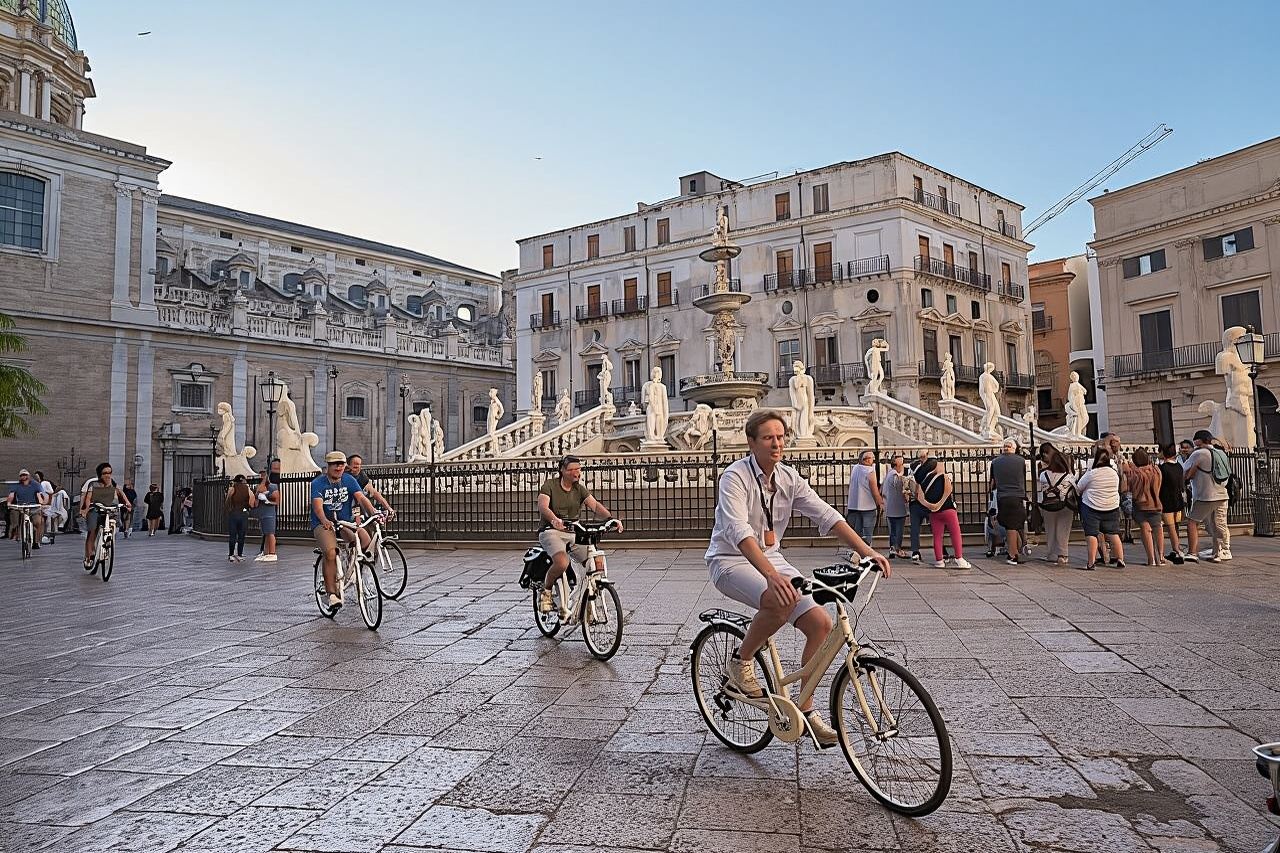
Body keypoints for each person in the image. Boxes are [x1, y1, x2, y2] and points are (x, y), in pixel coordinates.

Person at [706, 409, 891, 747]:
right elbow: (738, 531)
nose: (776, 444)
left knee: (820, 623)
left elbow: (827, 515)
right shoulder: (734, 477)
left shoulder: (788, 478)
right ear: (751, 442)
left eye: (780, 437)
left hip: (771, 558)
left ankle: (805, 707)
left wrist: (867, 552)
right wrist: (771, 575)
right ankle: (741, 661)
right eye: (768, 438)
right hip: (730, 560)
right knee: (780, 598)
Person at [536, 455, 622, 613]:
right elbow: (543, 507)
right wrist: (555, 520)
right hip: (552, 531)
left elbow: (595, 505)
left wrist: (611, 519)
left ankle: (588, 596)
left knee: (596, 561)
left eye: (578, 469)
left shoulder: (579, 488)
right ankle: (546, 592)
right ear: (562, 470)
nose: (576, 473)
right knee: (562, 562)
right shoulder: (550, 485)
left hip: (573, 531)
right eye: (572, 470)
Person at [311, 451, 379, 610]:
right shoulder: (318, 483)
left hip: (344, 521)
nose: (338, 467)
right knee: (330, 552)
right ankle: (332, 594)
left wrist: (373, 512)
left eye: (341, 464)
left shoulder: (349, 480)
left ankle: (356, 570)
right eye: (335, 464)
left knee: (365, 541)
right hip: (324, 523)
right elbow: (318, 507)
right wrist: (324, 520)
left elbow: (362, 498)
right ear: (328, 466)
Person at [1183, 430, 1231, 562]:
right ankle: (1222, 551)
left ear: (1199, 440)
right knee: (1220, 523)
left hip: (1206, 495)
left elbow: (1184, 469)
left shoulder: (1199, 453)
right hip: (1222, 492)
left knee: (1192, 522)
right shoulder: (1221, 453)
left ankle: (1192, 552)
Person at [915, 458, 970, 569]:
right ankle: (959, 559)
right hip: (948, 509)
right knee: (955, 534)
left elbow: (919, 498)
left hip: (934, 513)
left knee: (937, 537)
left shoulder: (923, 481)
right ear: (935, 466)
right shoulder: (943, 476)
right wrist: (940, 503)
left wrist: (931, 506)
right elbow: (948, 490)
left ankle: (939, 560)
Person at [1076, 448, 1124, 571]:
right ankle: (1120, 559)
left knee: (1091, 534)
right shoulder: (1114, 473)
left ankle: (1091, 562)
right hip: (1111, 506)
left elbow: (1079, 488)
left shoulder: (1092, 473)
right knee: (1113, 533)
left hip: (1092, 507)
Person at [79, 462, 131, 571]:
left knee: (113, 521)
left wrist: (127, 502)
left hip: (109, 509)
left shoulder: (112, 483)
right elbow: (88, 498)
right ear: (100, 474)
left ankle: (108, 542)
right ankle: (89, 557)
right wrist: (85, 509)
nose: (108, 475)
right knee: (92, 530)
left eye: (110, 473)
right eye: (105, 473)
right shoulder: (93, 484)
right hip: (95, 509)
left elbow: (120, 492)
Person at [989, 438, 1028, 566]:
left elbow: (992, 483)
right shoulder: (1021, 461)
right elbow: (1023, 477)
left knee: (1010, 525)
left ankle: (1015, 551)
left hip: (1003, 496)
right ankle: (1013, 554)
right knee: (1014, 525)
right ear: (1015, 448)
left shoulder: (995, 462)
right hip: (1017, 495)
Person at [1124, 448, 1165, 566]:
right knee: (1158, 529)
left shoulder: (1135, 473)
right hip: (1156, 503)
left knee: (1145, 529)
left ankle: (1151, 559)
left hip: (1141, 505)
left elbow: (1128, 488)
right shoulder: (1156, 470)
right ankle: (1161, 556)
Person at [1036, 443, 1075, 565]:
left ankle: (1051, 554)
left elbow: (1040, 488)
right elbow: (1076, 490)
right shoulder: (1069, 477)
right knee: (1063, 529)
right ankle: (1062, 555)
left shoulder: (1043, 474)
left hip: (1048, 505)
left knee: (1050, 529)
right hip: (1064, 505)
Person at [844, 450, 883, 546]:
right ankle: (867, 553)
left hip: (854, 506)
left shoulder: (855, 468)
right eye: (872, 458)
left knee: (857, 533)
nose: (873, 460)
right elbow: (874, 490)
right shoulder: (870, 471)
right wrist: (880, 503)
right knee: (867, 532)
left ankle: (858, 552)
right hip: (868, 506)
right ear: (866, 460)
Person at [1157, 444, 1187, 565]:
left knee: (1170, 527)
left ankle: (1177, 550)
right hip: (1178, 499)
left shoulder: (1162, 468)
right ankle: (1177, 548)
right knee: (1175, 526)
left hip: (1167, 500)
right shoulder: (1179, 466)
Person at [7, 469, 49, 548]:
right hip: (20, 506)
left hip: (33, 506)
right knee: (13, 514)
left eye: (25, 475)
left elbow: (43, 494)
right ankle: (15, 531)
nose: (24, 477)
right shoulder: (17, 485)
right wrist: (9, 503)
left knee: (37, 522)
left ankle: (36, 541)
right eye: (22, 475)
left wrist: (44, 503)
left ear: (28, 476)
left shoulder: (35, 484)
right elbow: (11, 495)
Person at [905, 450, 933, 562]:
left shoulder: (915, 467)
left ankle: (941, 550)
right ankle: (915, 551)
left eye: (923, 456)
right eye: (920, 456)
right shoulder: (918, 467)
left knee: (935, 527)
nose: (922, 458)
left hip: (925, 502)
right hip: (918, 502)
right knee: (915, 528)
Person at [882, 454, 909, 559]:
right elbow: (897, 484)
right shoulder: (894, 475)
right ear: (897, 465)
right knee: (898, 531)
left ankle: (893, 549)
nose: (903, 466)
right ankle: (897, 549)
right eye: (902, 464)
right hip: (897, 508)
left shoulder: (889, 474)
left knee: (893, 531)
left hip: (891, 508)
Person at [224, 474, 256, 563]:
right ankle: (240, 554)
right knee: (241, 535)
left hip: (233, 514)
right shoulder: (248, 489)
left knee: (233, 535)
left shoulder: (232, 488)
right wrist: (247, 508)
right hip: (243, 514)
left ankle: (231, 555)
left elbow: (227, 501)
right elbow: (252, 501)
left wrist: (229, 510)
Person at [251, 464, 280, 562]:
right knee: (266, 534)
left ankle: (272, 553)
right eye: (260, 474)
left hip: (269, 513)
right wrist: (257, 496)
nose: (262, 477)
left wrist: (267, 500)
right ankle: (266, 552)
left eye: (263, 474)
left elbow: (277, 501)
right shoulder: (258, 487)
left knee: (270, 533)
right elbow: (255, 502)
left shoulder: (272, 486)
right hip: (262, 513)